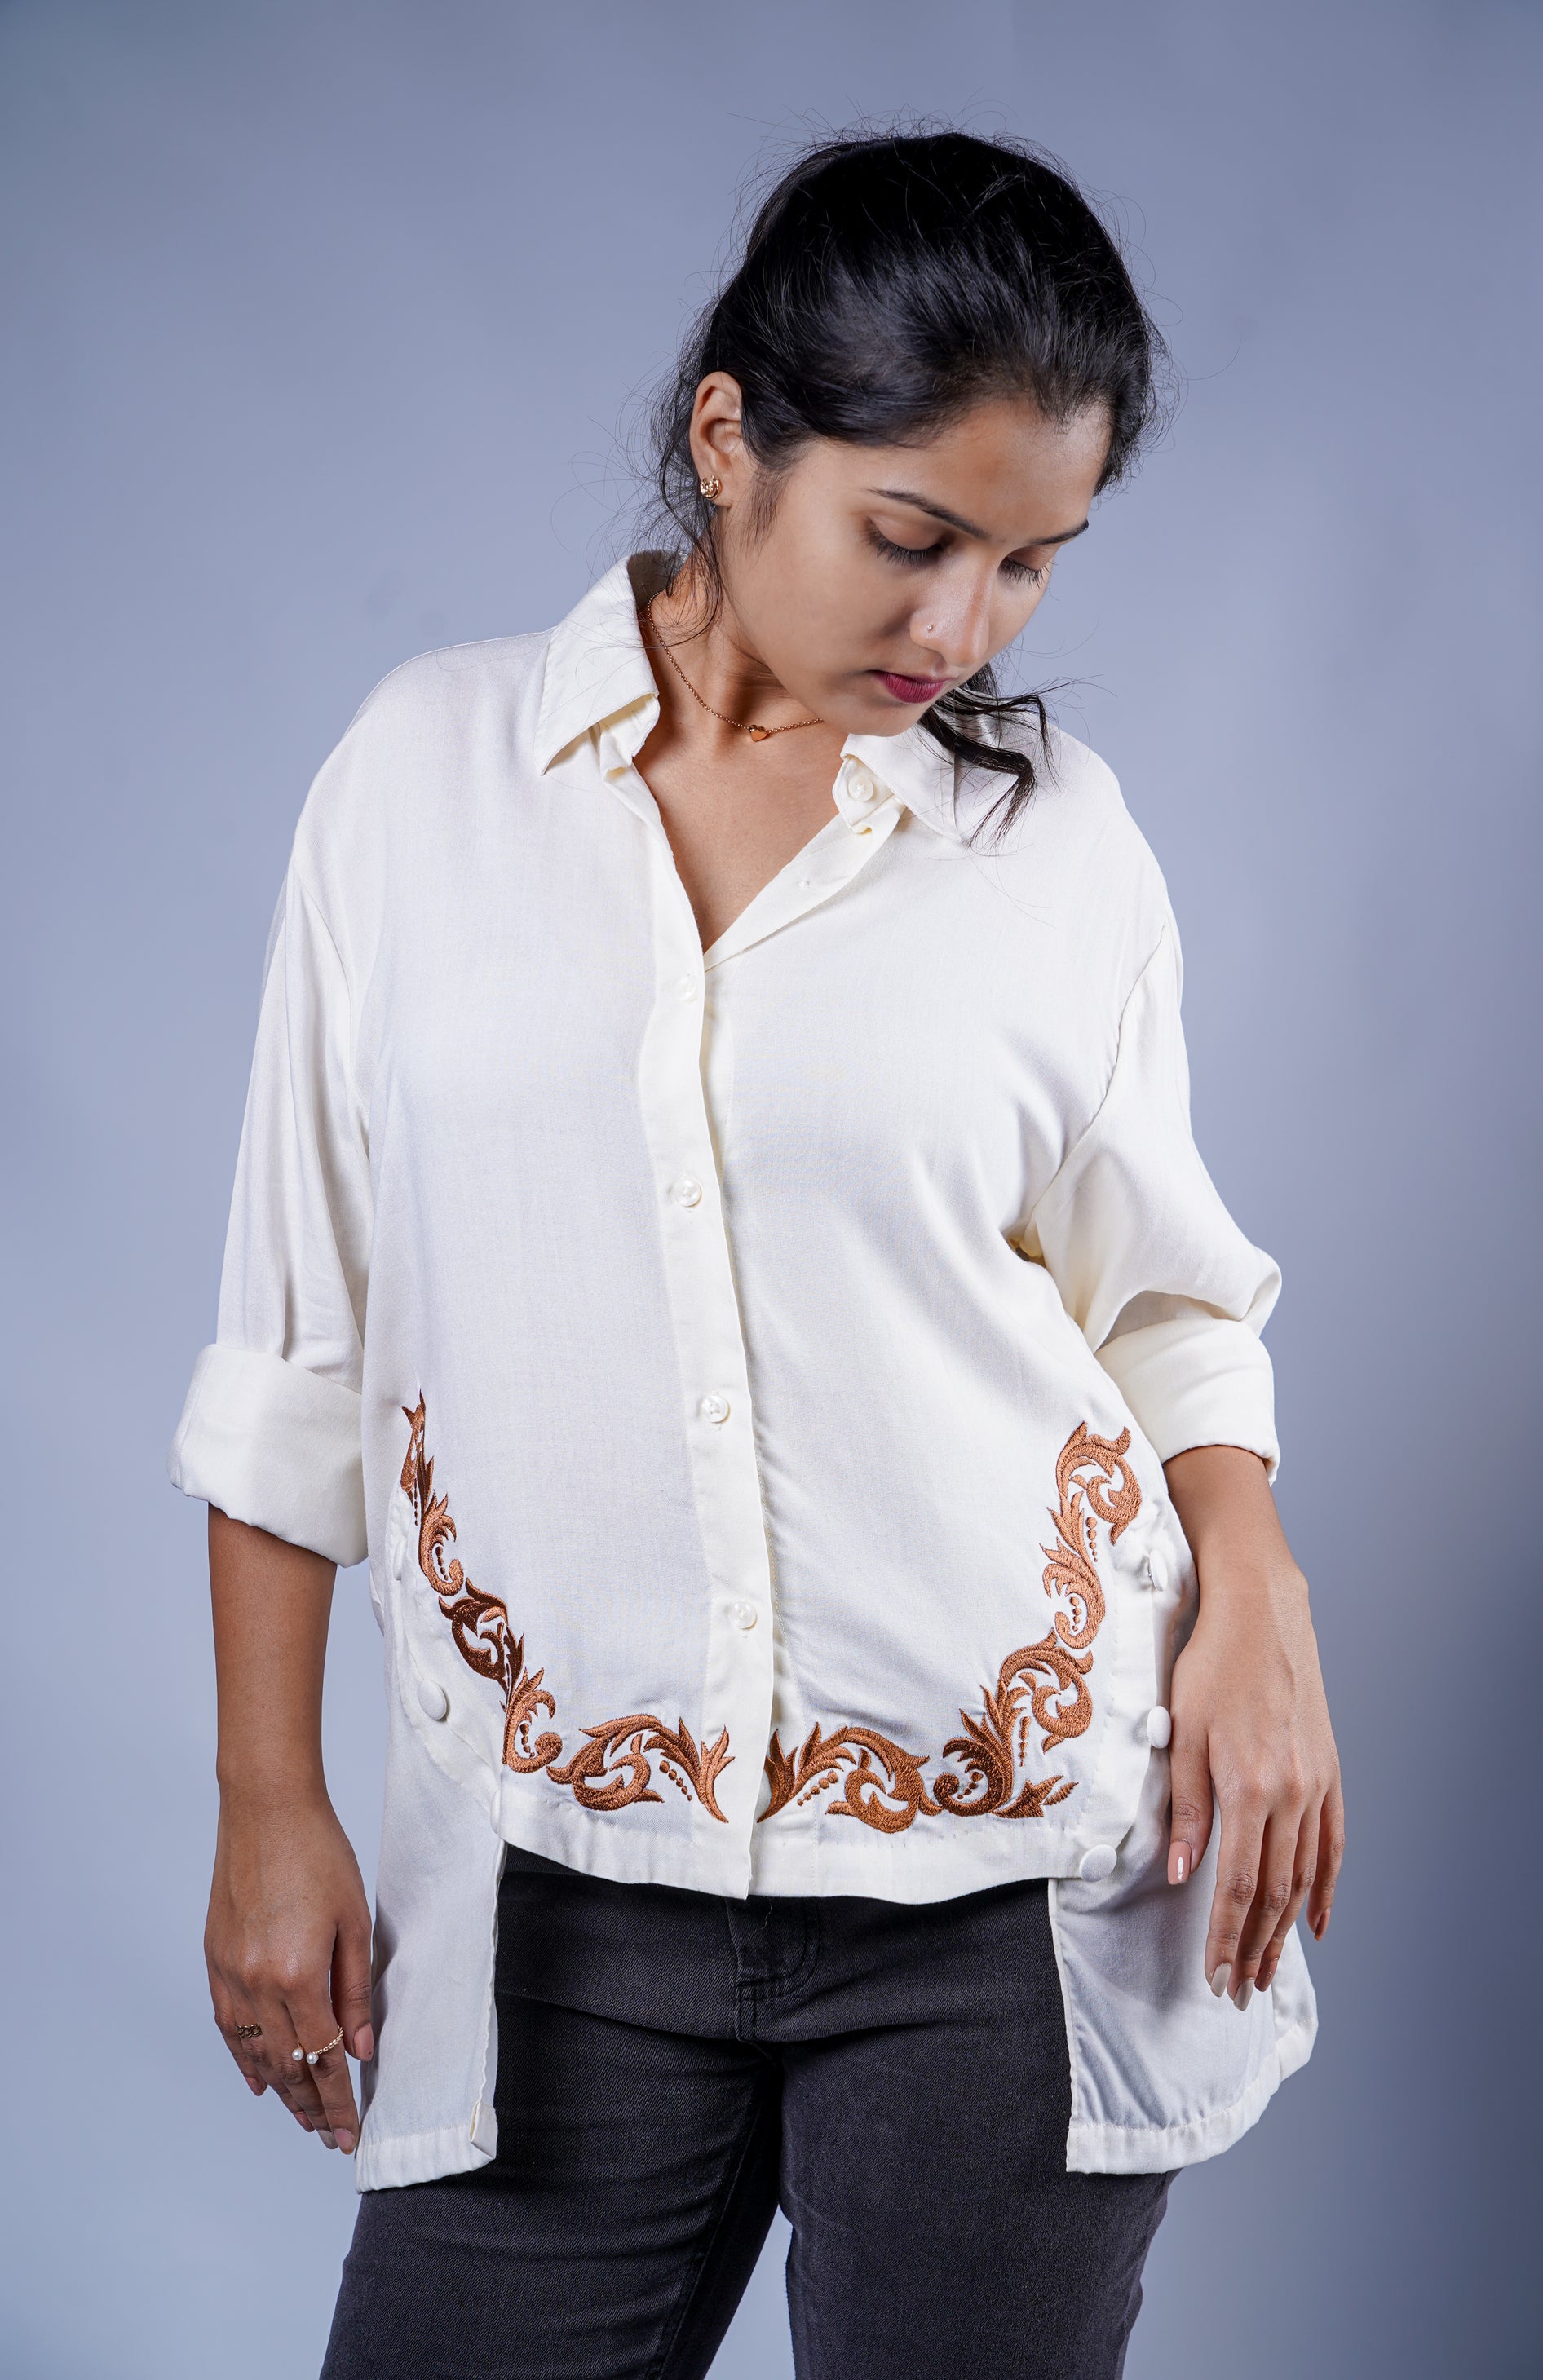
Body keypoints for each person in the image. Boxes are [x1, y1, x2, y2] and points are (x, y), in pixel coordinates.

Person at [170, 127, 1343, 2380]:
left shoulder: (1054, 849)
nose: (961, 630)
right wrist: (264, 1798)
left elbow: (1164, 1301)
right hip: (558, 1899)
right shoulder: (420, 782)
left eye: (1028, 563)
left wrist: (1260, 1595)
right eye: (911, 539)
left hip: (1001, 1898)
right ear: (729, 438)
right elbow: (294, 1348)